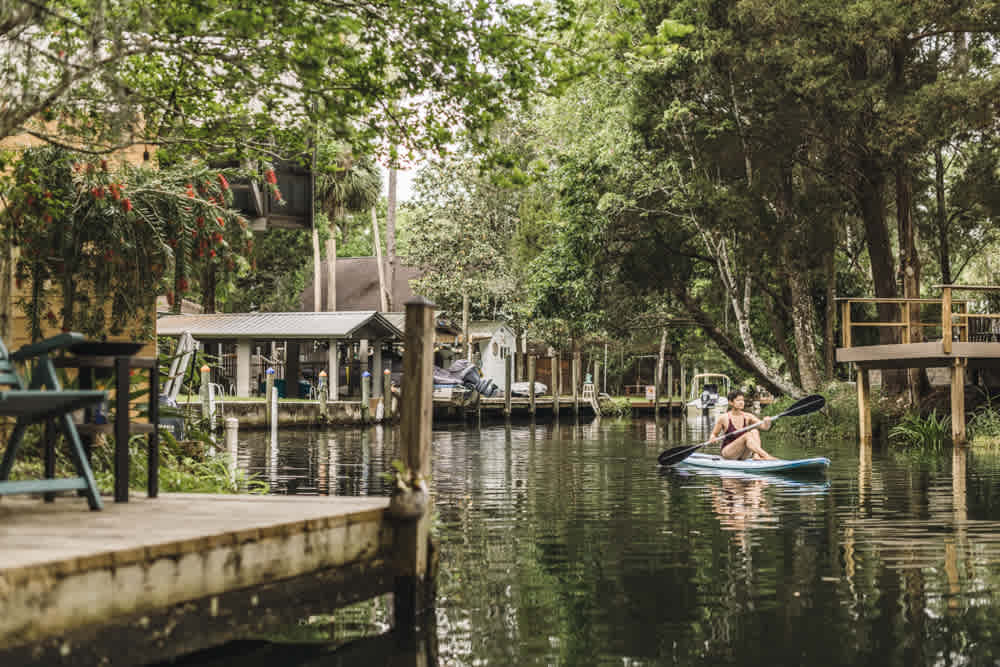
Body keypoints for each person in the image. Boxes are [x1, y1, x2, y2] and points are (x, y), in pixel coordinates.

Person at [709, 389, 777, 460]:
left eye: (742, 400)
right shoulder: (724, 418)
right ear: (731, 402)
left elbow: (765, 427)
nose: (742, 402)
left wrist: (767, 422)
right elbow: (714, 434)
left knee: (755, 431)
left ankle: (756, 455)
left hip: (743, 454)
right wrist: (712, 437)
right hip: (728, 453)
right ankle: (766, 456)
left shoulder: (748, 416)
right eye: (738, 400)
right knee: (747, 435)